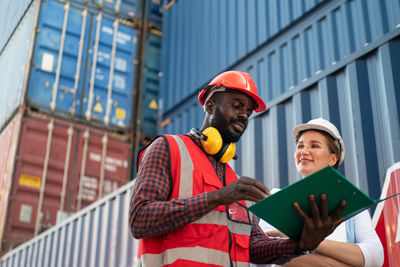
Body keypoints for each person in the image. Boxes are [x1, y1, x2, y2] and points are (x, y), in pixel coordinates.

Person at [129, 71, 346, 266]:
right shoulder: (168, 148)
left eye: (249, 112)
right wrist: (217, 197)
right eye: (237, 106)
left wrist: (299, 244)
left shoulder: (234, 181)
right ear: (210, 105)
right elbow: (140, 219)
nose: (244, 115)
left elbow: (254, 245)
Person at [259, 118, 384, 267]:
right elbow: (272, 260)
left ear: (332, 158)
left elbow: (376, 257)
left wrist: (308, 241)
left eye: (314, 146)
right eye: (300, 146)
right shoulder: (275, 199)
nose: (303, 151)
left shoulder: (351, 202)